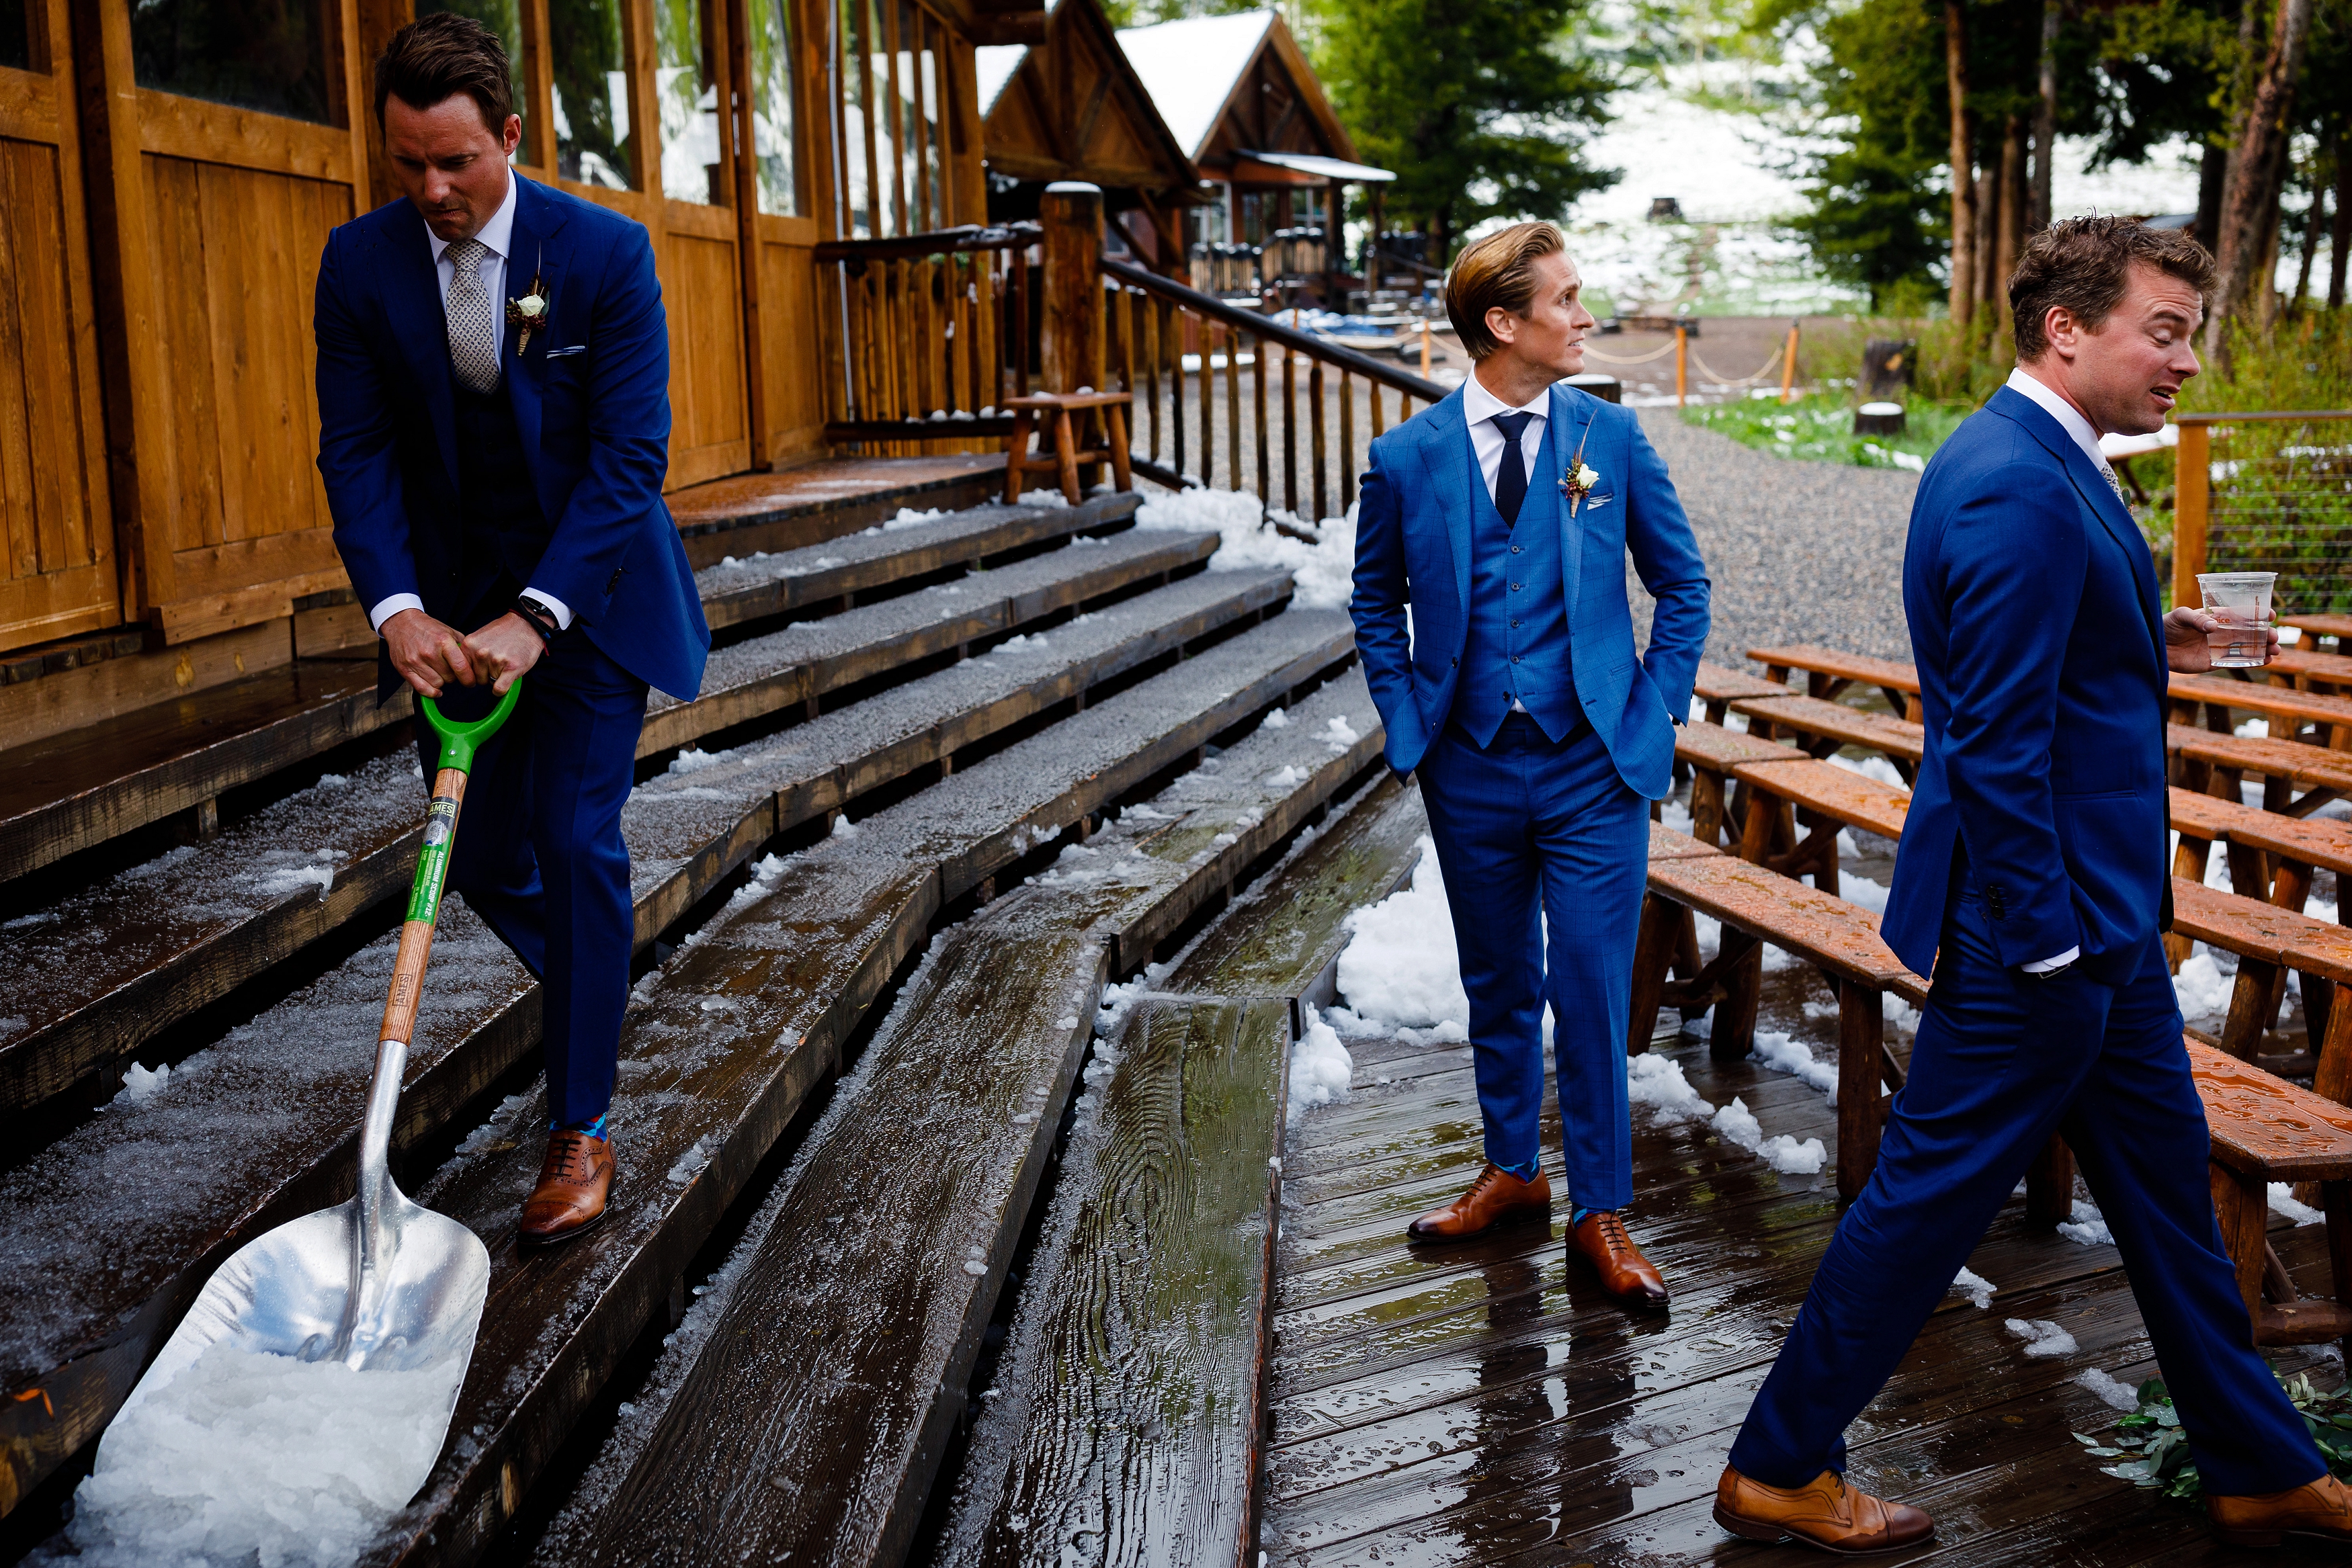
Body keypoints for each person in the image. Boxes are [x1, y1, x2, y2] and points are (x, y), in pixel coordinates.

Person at [1714, 217, 2351, 1552]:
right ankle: (1778, 1464)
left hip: (2092, 932)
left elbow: (2034, 661)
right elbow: (1996, 748)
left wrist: (2150, 630)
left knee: (2171, 1200)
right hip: (2041, 937)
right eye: (2163, 331)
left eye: (2190, 333)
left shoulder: (2037, 457)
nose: (2186, 361)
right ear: (2066, 329)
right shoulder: (2012, 483)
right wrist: (2052, 952)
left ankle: (2255, 1461)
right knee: (1925, 1202)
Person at [314, 14, 710, 1247]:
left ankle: (578, 1122)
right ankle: (599, 989)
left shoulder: (603, 254)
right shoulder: (358, 265)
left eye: (457, 164)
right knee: (482, 860)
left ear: (512, 140)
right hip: (445, 614)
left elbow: (628, 458)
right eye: (407, 165)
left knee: (573, 835)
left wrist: (540, 613)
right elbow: (359, 449)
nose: (432, 190)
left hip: (583, 603)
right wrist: (396, 610)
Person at [1350, 222, 1711, 1309]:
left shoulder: (1611, 434)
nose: (1584, 317)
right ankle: (1515, 1169)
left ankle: (1602, 1210)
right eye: (1566, 300)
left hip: (1592, 767)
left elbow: (1683, 586)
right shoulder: (1408, 459)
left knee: (1592, 989)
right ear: (1503, 324)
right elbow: (1375, 599)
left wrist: (1650, 714)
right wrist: (1408, 717)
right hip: (1468, 764)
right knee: (1497, 979)